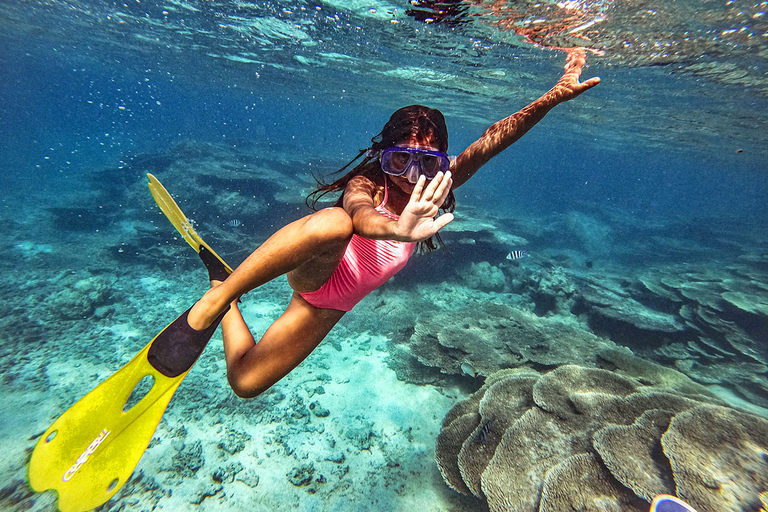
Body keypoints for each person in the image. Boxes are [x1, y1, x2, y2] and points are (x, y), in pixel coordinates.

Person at [150, 49, 600, 399]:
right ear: (383, 155)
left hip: (325, 307)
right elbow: (360, 217)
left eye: (424, 163)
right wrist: (396, 228)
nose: (408, 175)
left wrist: (551, 99)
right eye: (398, 159)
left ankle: (220, 289)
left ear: (441, 163)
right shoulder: (367, 184)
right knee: (333, 224)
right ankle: (217, 303)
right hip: (321, 270)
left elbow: (490, 142)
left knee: (245, 383)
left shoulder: (440, 184)